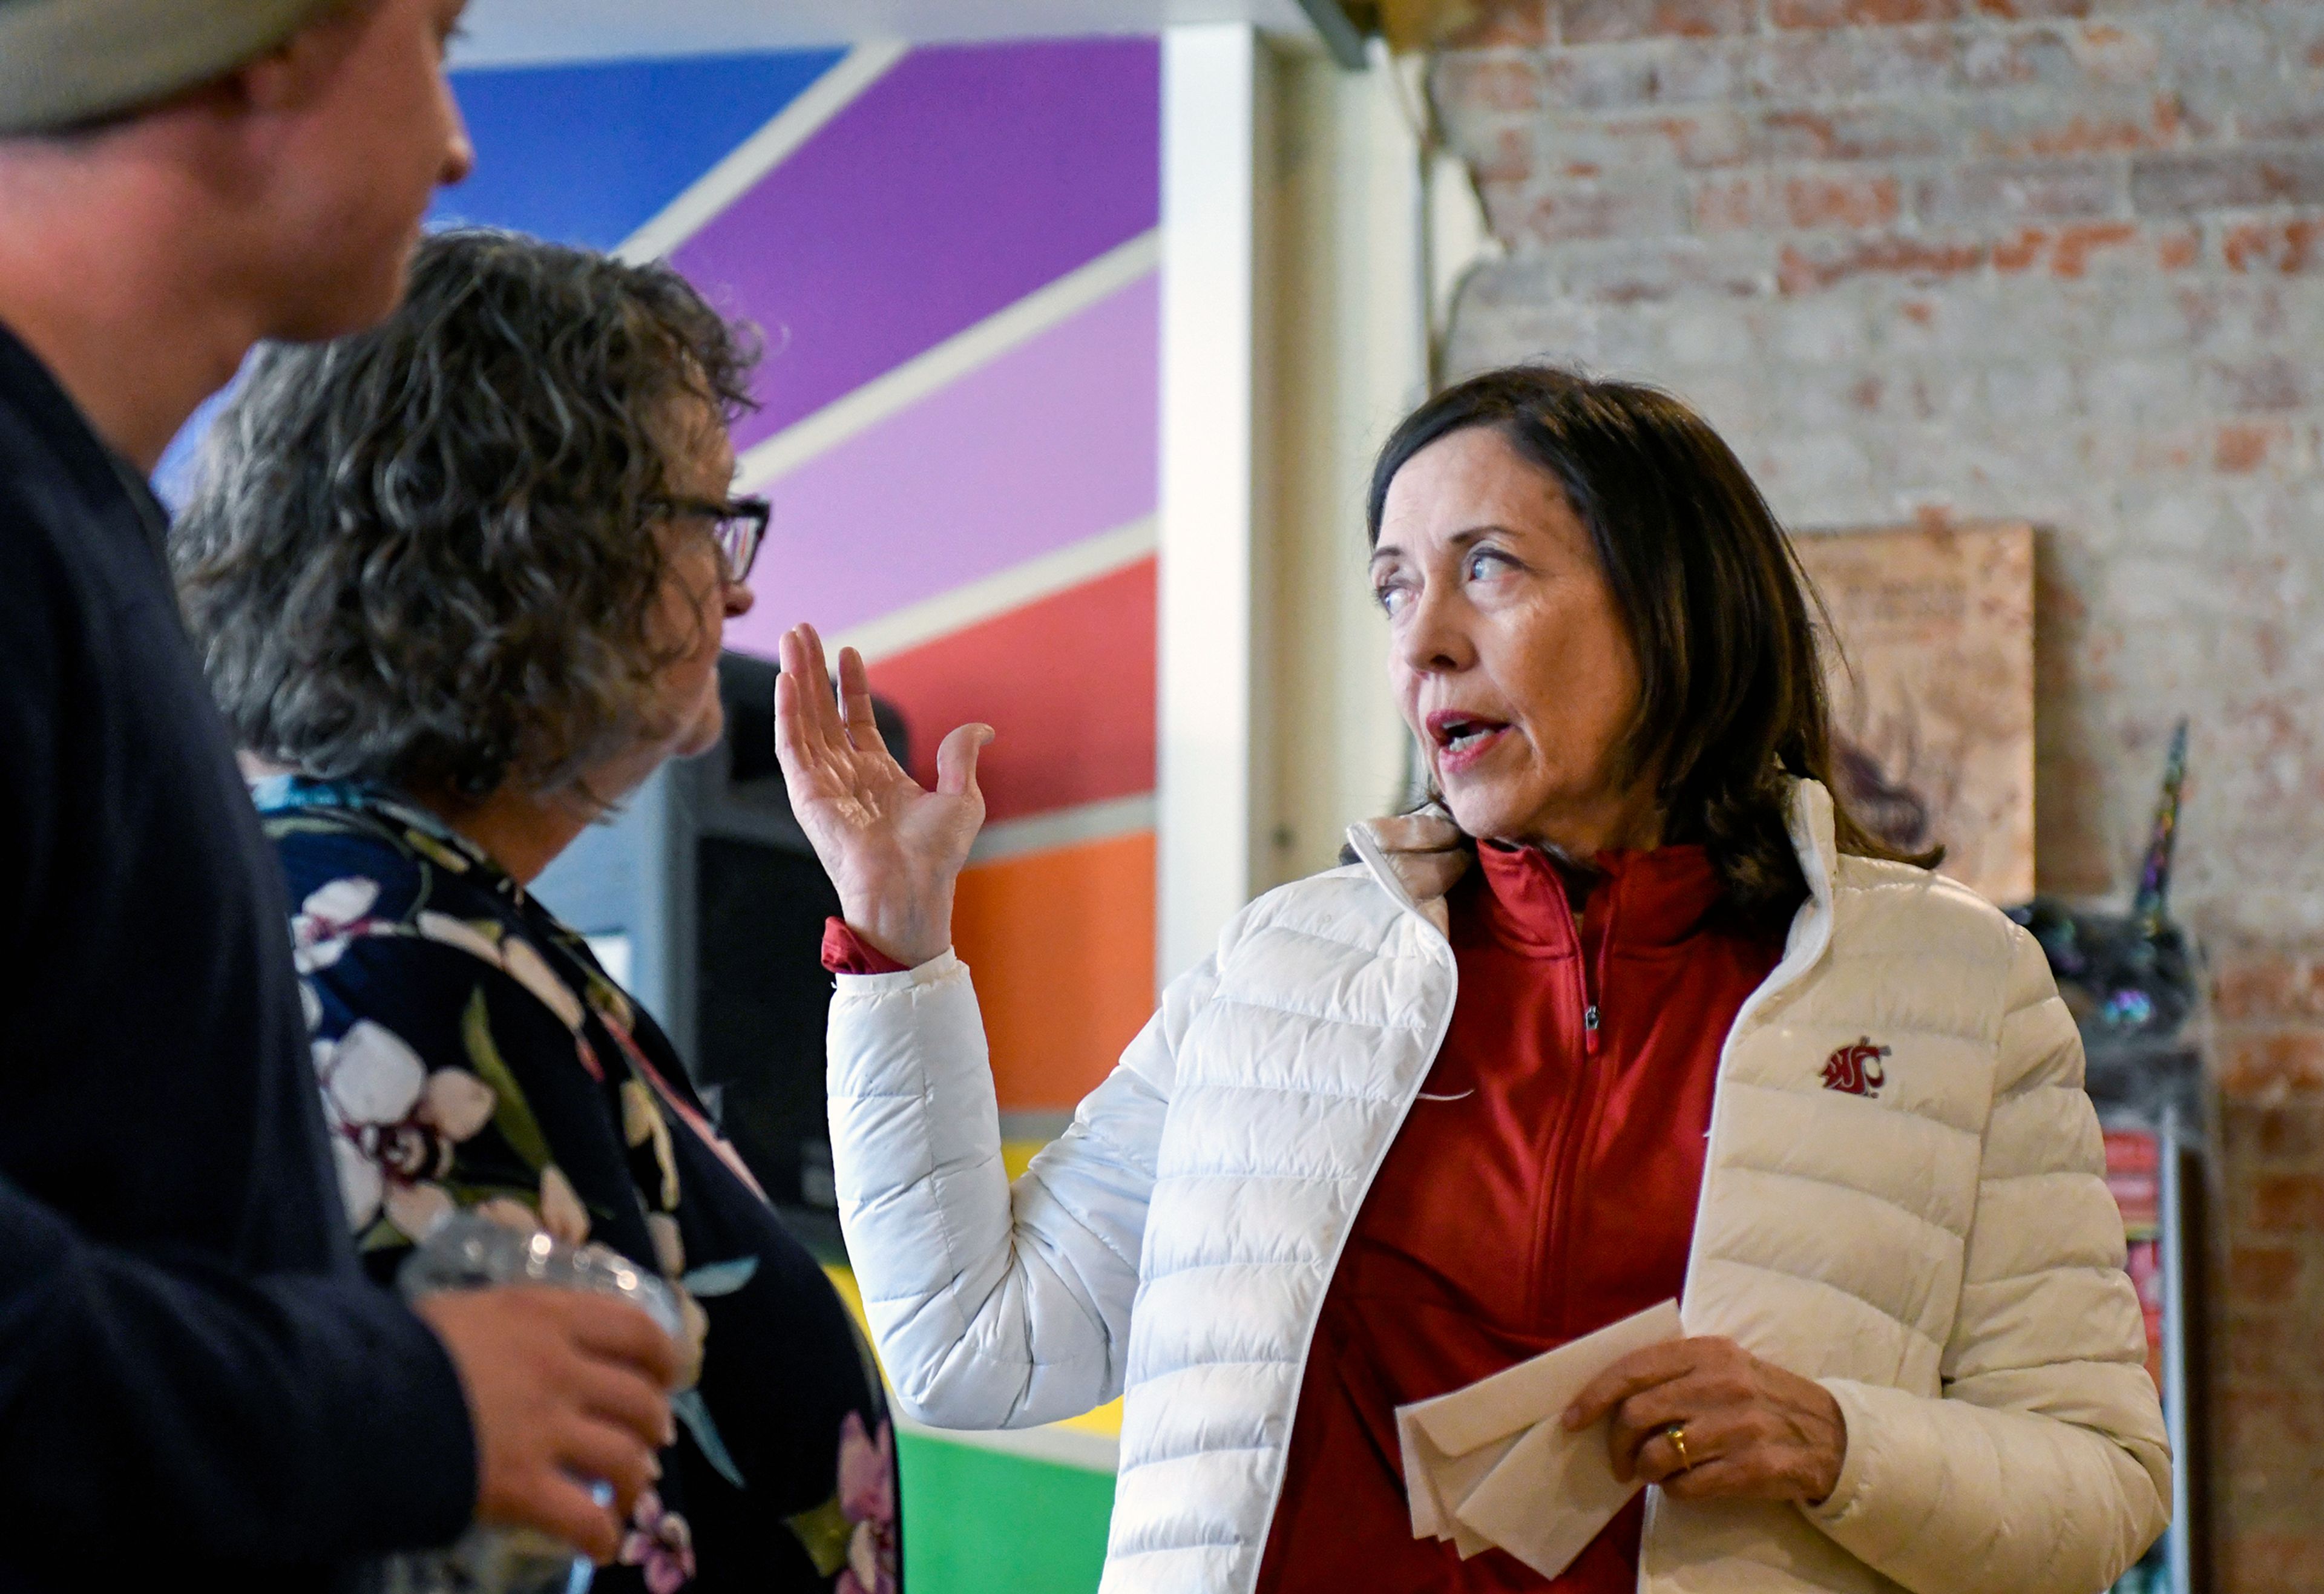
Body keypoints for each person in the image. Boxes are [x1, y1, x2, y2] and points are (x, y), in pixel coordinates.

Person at [773, 366, 2172, 1593]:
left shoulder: (1951, 983)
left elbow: (2099, 1492)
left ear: (1671, 610)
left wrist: (1838, 1442)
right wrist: (895, 940)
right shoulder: (1284, 968)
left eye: (1488, 567)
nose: (1422, 637)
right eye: (1394, 584)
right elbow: (976, 1344)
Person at [0, 8, 680, 1591]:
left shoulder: (80, 530)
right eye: (434, 36)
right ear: (267, 45)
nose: (456, 143)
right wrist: (410, 1400)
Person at [172, 228, 902, 1594]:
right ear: (541, 550)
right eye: (708, 518)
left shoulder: (383, 904)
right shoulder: (406, 959)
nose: (740, 589)